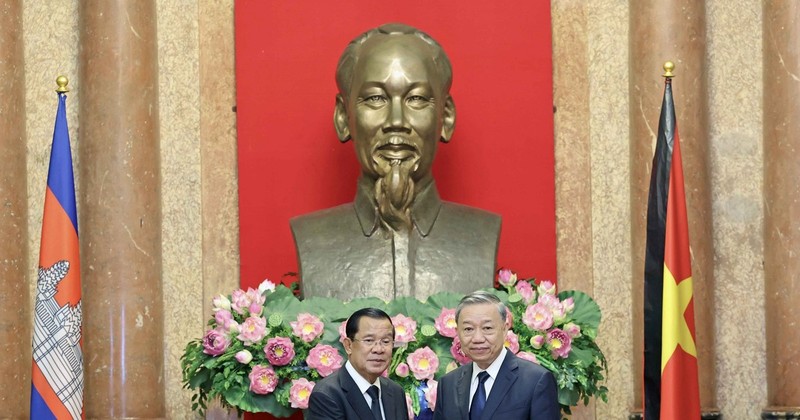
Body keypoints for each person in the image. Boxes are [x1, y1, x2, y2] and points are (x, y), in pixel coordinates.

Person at [291, 23, 501, 302]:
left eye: (416, 99)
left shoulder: (481, 234)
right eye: (376, 98)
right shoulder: (312, 238)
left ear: (446, 117)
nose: (397, 122)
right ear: (343, 117)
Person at [433, 291, 560, 420]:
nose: (477, 338)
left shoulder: (536, 380)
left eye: (487, 328)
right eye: (468, 329)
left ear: (505, 329)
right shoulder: (448, 384)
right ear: (457, 332)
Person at [306, 308, 407, 420]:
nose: (379, 349)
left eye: (386, 341)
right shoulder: (327, 395)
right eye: (369, 340)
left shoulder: (396, 391)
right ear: (348, 346)